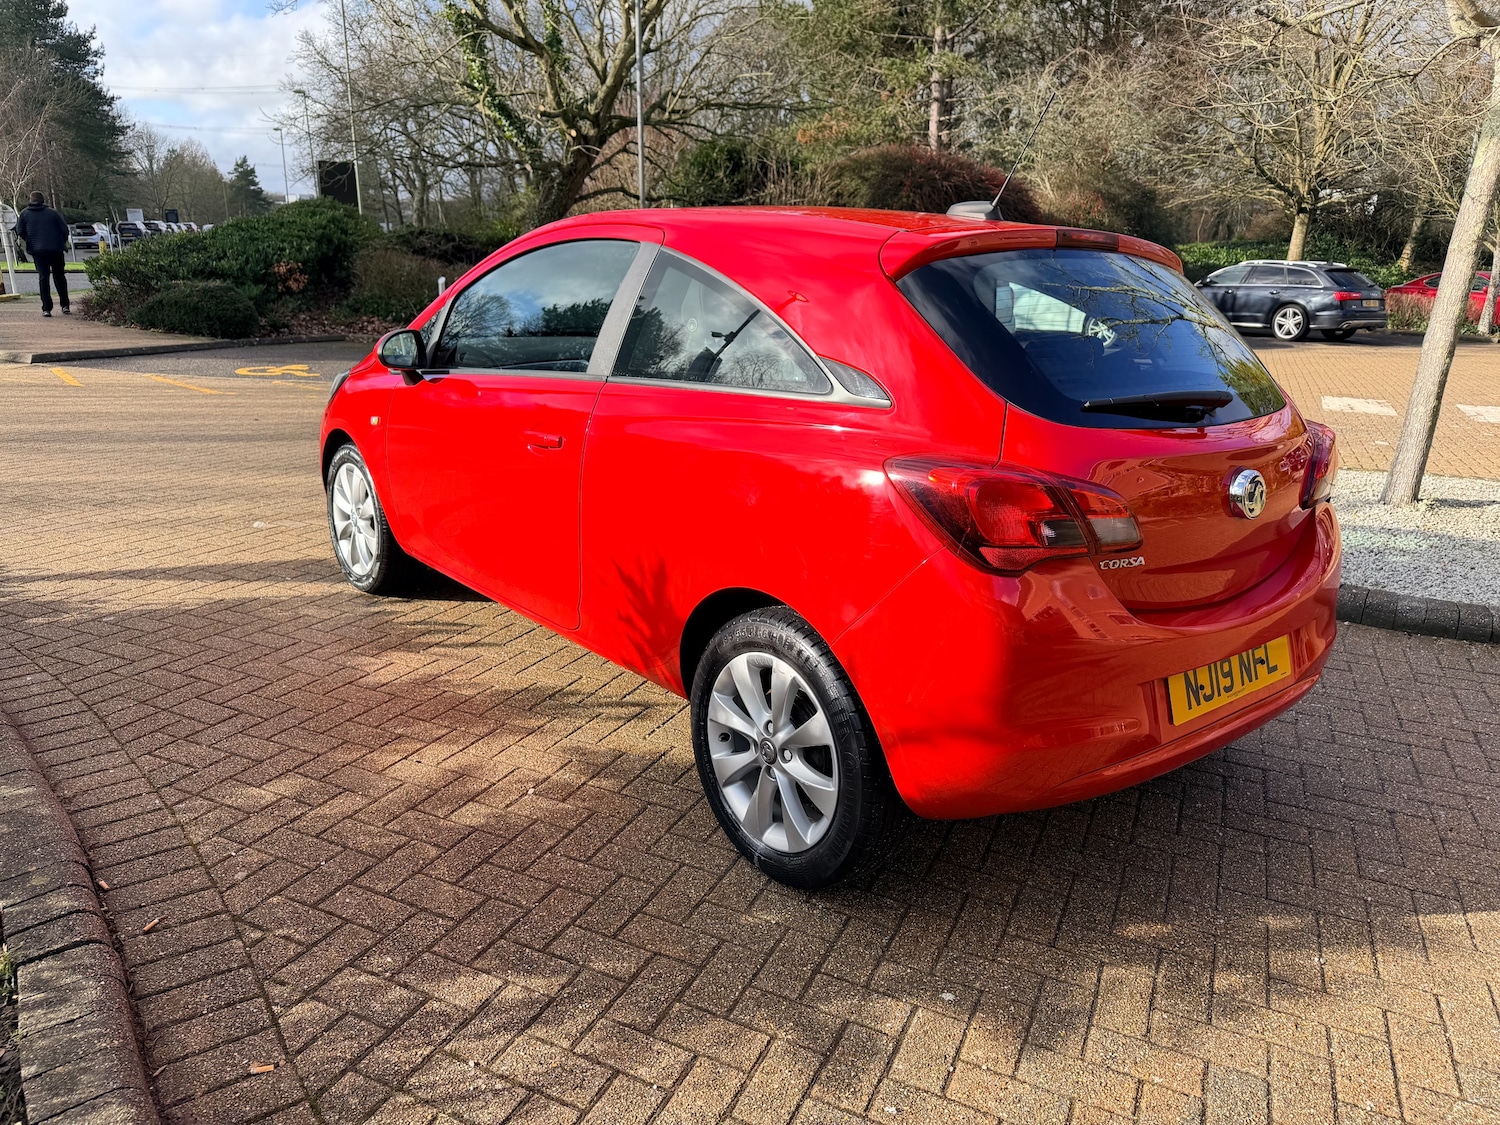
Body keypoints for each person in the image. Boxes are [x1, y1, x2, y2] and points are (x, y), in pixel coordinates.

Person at [13, 191, 70, 317]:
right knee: (59, 277)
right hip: (55, 249)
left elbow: (20, 230)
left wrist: (30, 240)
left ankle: (46, 308)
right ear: (43, 200)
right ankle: (65, 305)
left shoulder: (24, 214)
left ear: (31, 199)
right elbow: (64, 229)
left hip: (38, 250)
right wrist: (61, 241)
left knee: (43, 278)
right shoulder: (53, 213)